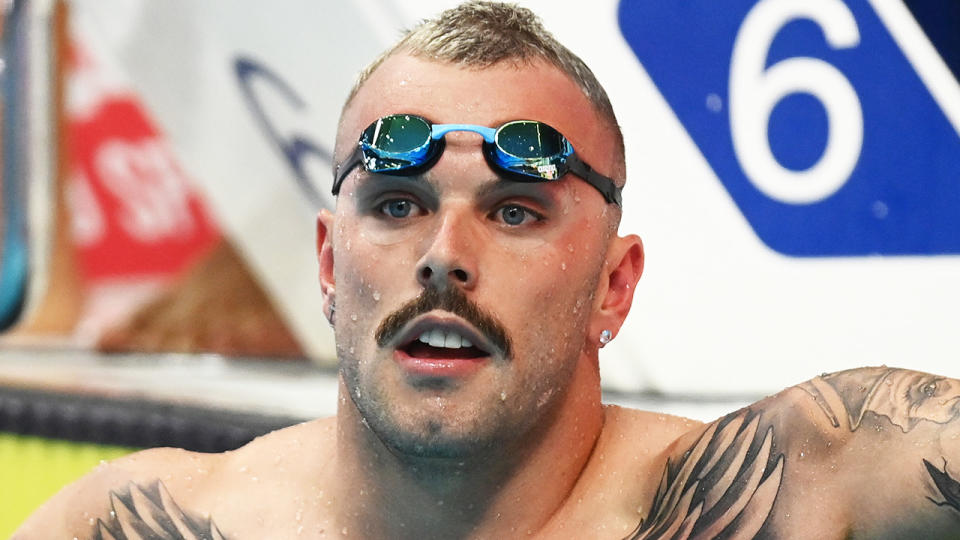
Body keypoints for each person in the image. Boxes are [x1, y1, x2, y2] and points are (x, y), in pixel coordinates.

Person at [15, 2, 960, 538]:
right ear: (329, 265)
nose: (443, 258)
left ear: (614, 286)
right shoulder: (136, 526)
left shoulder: (791, 489)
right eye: (397, 205)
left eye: (514, 213)